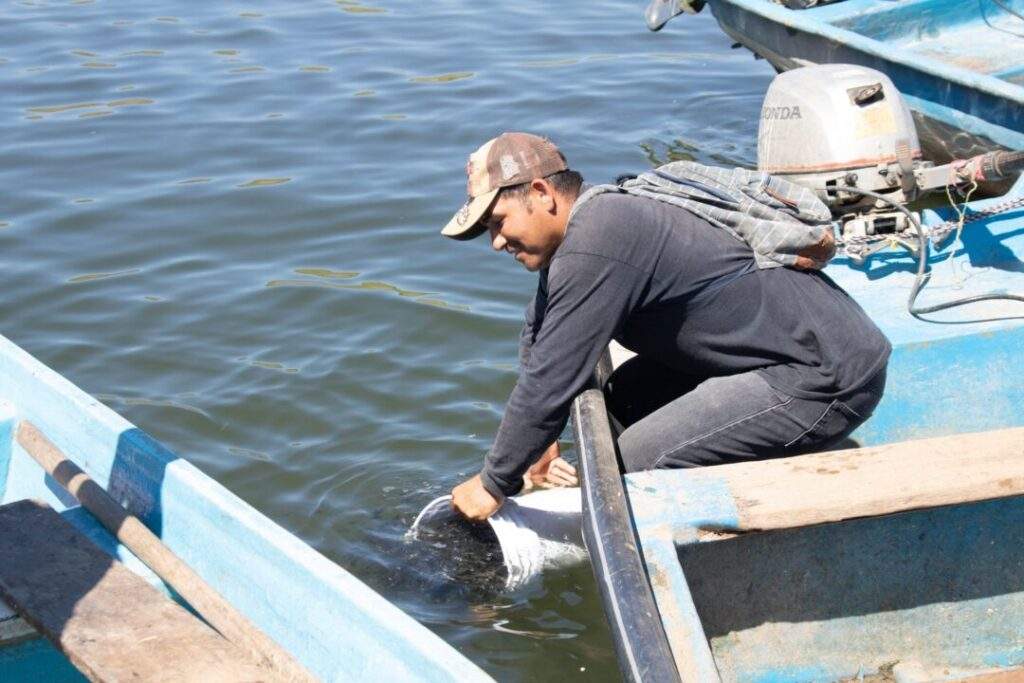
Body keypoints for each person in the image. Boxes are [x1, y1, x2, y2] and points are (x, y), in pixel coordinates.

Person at [441, 132, 890, 521]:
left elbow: (552, 377)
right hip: (784, 353)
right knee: (624, 397)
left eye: (498, 223)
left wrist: (493, 482)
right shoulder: (595, 221)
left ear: (542, 192)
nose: (497, 242)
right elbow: (539, 332)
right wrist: (536, 449)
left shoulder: (596, 242)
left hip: (828, 376)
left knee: (642, 457)